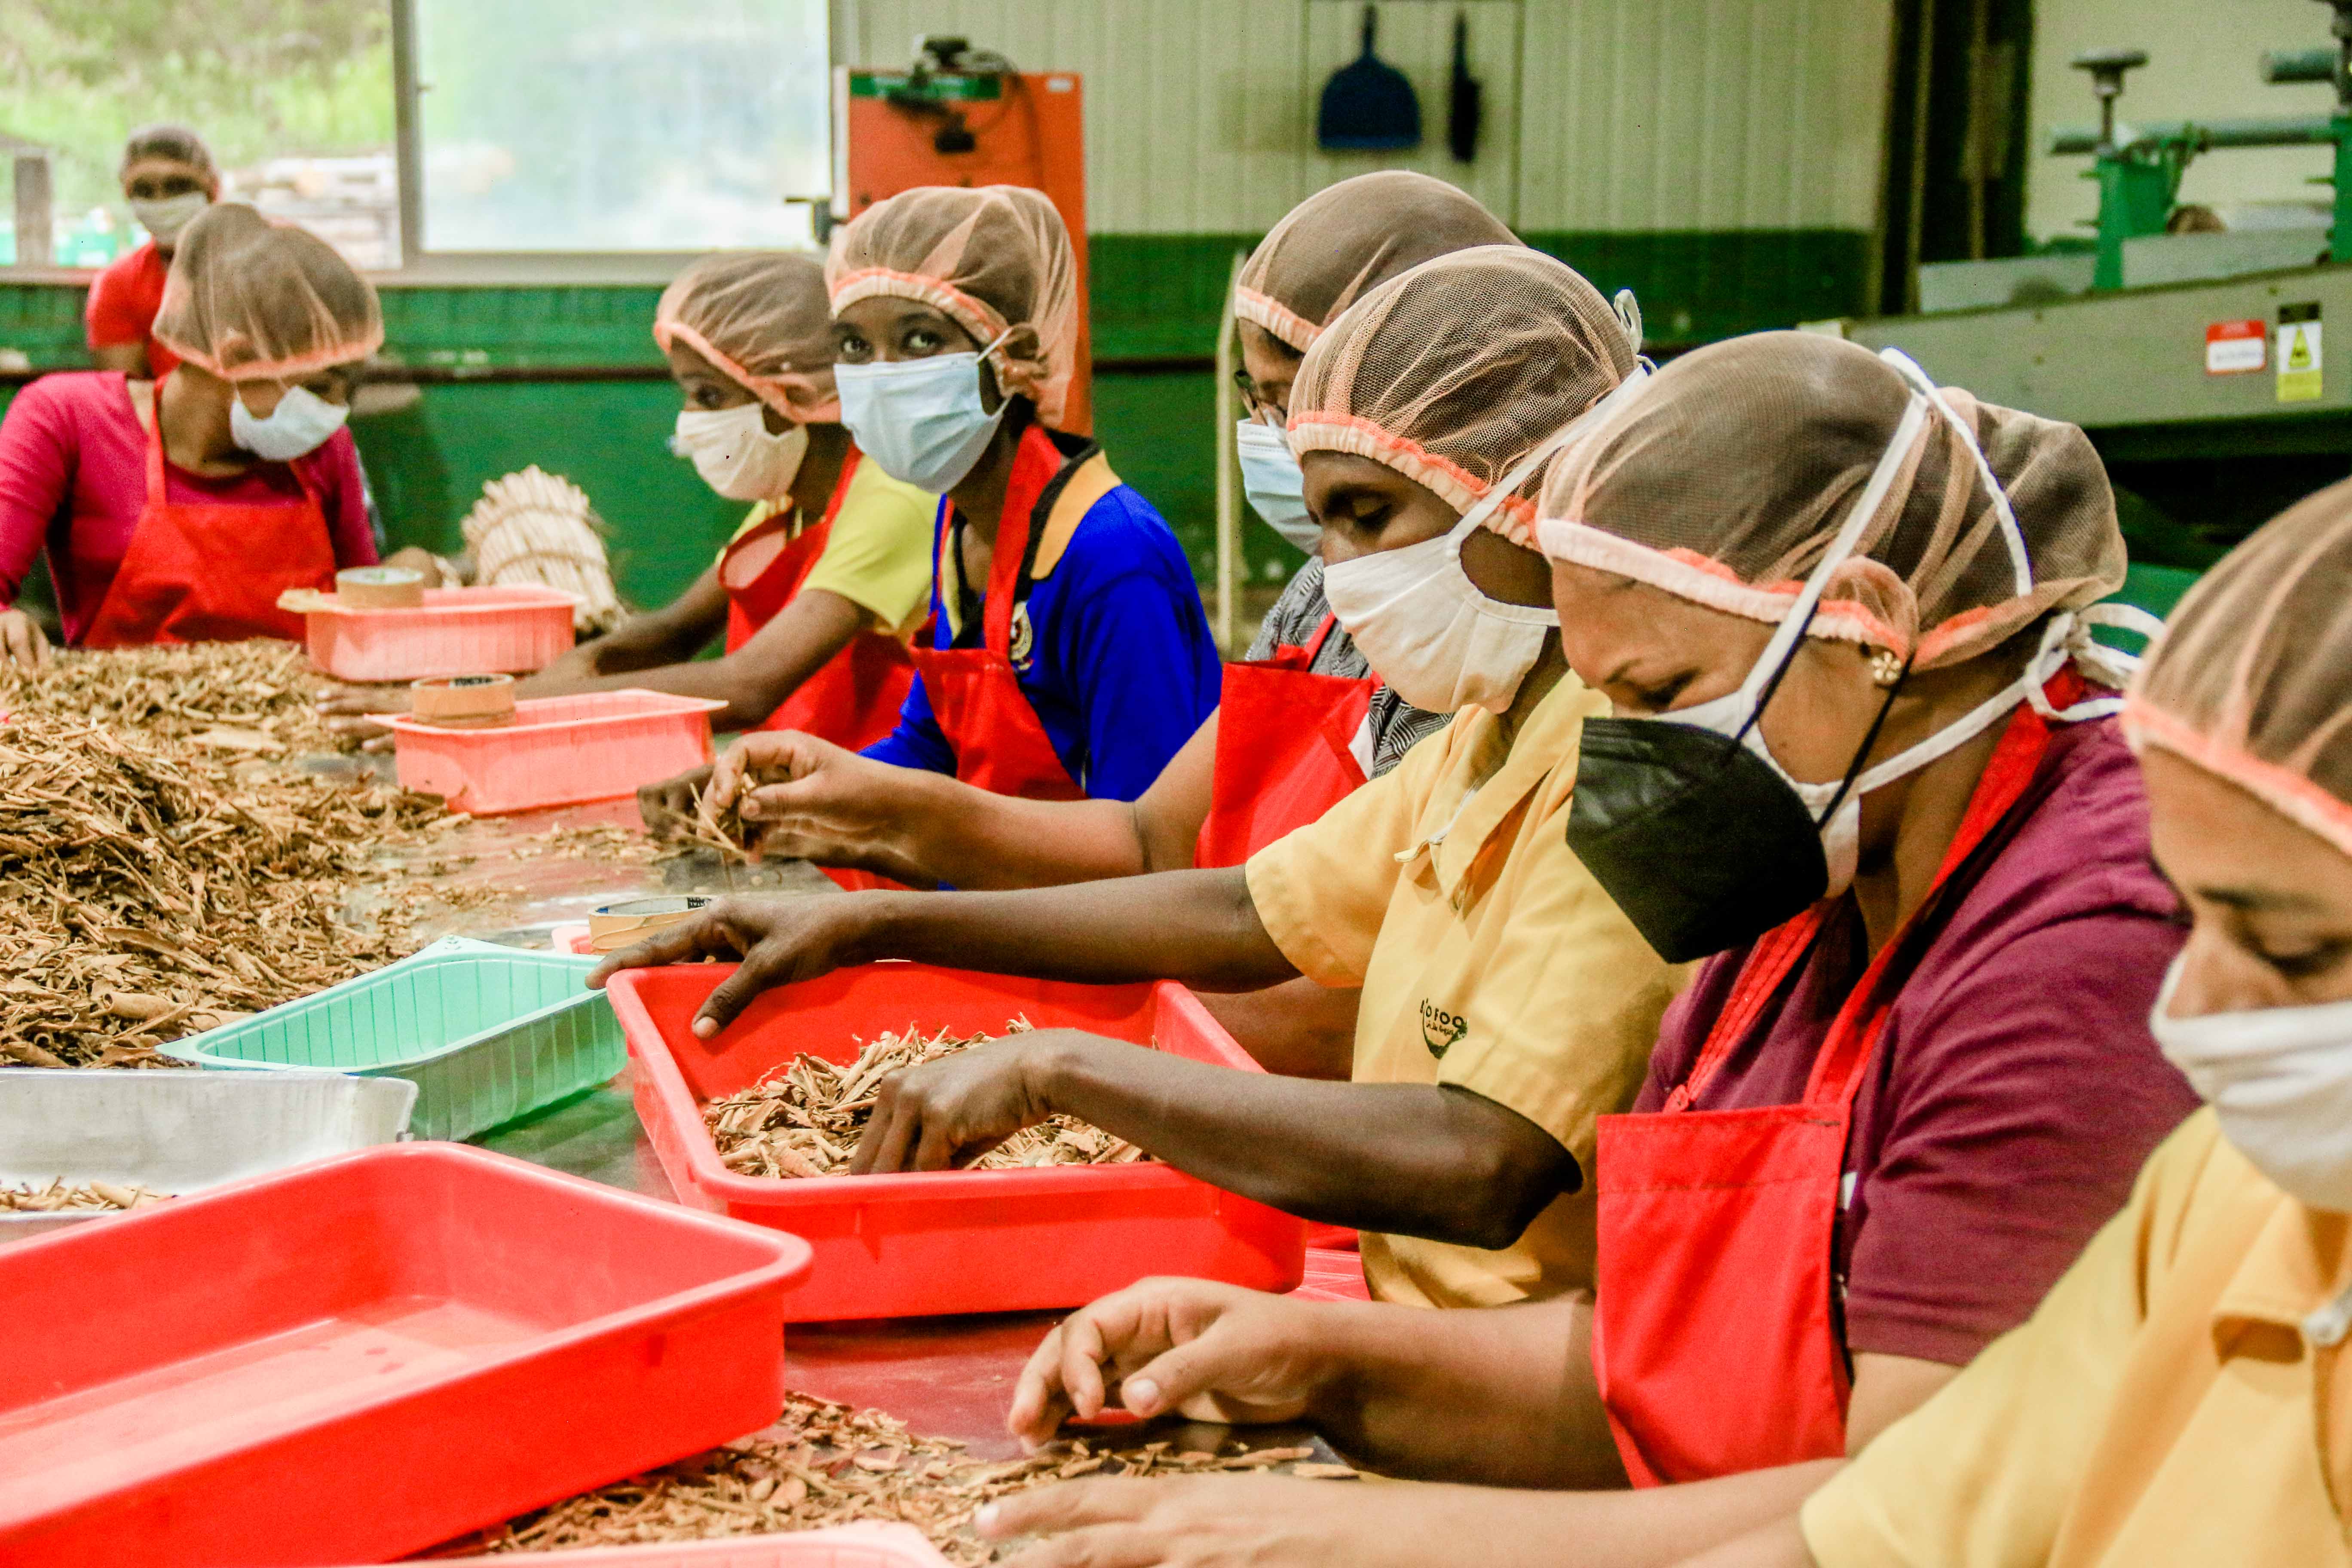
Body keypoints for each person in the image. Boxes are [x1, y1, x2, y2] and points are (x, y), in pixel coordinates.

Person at [956, 333, 2204, 1568]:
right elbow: (1649, 1368)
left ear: (1869, 626)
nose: (1630, 757)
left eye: (1662, 696)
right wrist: (1315, 1360)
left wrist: (1363, 1539)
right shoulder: (1809, 879)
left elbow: (1922, 1524)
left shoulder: (2078, 947)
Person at [595, 245, 1676, 1312]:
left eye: (1367, 517)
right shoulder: (1488, 729)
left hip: (1502, 1342)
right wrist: (872, 934)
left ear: (1522, 495)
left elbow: (1485, 1158)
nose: (1336, 570)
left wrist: (1060, 1068)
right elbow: (1238, 906)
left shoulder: (1624, 775)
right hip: (1380, 1266)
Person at [693, 173, 1521, 1072]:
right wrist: (867, 815)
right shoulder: (1318, 597)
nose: (1276, 434)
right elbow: (1157, 842)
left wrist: (1044, 1038)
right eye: (1262, 399)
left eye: (1300, 402)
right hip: (1214, 1056)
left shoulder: (1491, 651)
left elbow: (1362, 1002)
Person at [1695, 481, 2352, 1568]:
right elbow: (1882, 1540)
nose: (2186, 1009)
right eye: (2188, 917)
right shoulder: (2224, 1193)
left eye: (2295, 952)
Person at [318, 251, 936, 745]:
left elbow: (748, 685)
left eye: (711, 397)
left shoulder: (891, 498)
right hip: (809, 806)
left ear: (793, 395)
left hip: (883, 822)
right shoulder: (792, 497)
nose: (690, 423)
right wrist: (487, 698)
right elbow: (666, 634)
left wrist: (464, 709)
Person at [0, 203, 380, 668]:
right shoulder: (67, 418)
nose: (332, 413)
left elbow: (367, 615)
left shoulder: (324, 450)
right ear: (237, 354)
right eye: (318, 387)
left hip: (299, 723)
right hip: (125, 727)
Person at [85, 125, 219, 381]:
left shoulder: (257, 268)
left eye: (178, 187)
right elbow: (127, 398)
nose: (162, 201)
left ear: (212, 188)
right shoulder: (119, 285)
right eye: (145, 191)